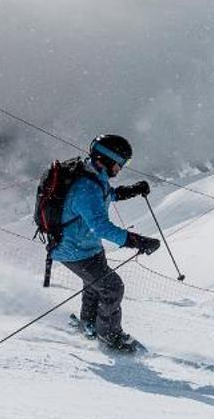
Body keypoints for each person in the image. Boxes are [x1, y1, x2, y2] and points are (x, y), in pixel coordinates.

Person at [50, 133, 159, 352]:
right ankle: (109, 336)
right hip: (74, 251)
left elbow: (106, 195)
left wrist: (132, 190)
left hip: (87, 246)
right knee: (112, 287)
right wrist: (136, 241)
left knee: (95, 286)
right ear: (107, 159)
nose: (121, 169)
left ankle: (89, 324)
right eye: (120, 164)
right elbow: (100, 226)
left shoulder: (93, 175)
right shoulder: (86, 187)